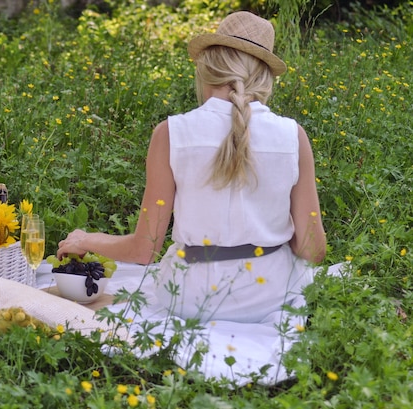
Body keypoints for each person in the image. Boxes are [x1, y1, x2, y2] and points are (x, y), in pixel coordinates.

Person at [57, 12, 326, 334]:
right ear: (265, 78)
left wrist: (85, 239)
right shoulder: (292, 135)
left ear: (206, 69)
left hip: (189, 298)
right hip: (273, 296)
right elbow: (313, 250)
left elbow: (144, 249)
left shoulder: (171, 133)